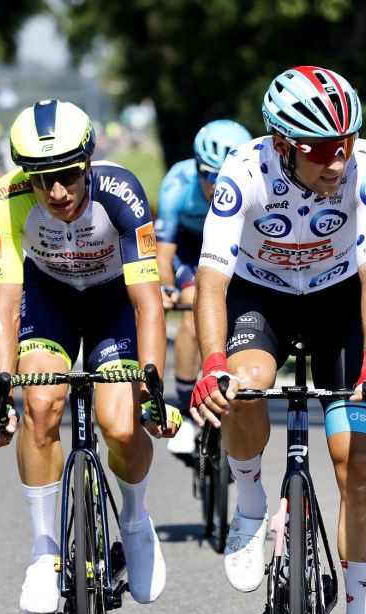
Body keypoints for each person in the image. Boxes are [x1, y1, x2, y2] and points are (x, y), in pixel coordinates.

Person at [190, 66, 366, 614]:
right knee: (244, 386)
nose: (338, 162)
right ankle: (251, 503)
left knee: (355, 458)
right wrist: (211, 363)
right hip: (263, 298)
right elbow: (212, 282)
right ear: (283, 146)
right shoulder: (244, 173)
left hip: (340, 300)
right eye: (322, 150)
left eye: (345, 145)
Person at [0, 99, 177, 614]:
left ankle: (134, 520)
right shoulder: (6, 199)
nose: (57, 192)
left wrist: (152, 392)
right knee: (40, 404)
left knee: (120, 424)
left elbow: (148, 303)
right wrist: (1, 397)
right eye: (42, 180)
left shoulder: (122, 192)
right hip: (51, 302)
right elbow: (4, 307)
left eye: (67, 175)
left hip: (114, 303)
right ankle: (45, 550)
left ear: (87, 162)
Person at [156, 119, 254, 458]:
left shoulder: (256, 183)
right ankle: (186, 410)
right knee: (193, 303)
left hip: (235, 249)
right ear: (197, 168)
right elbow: (163, 253)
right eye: (208, 175)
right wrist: (166, 287)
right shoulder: (177, 184)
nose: (215, 185)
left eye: (224, 176)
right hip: (190, 250)